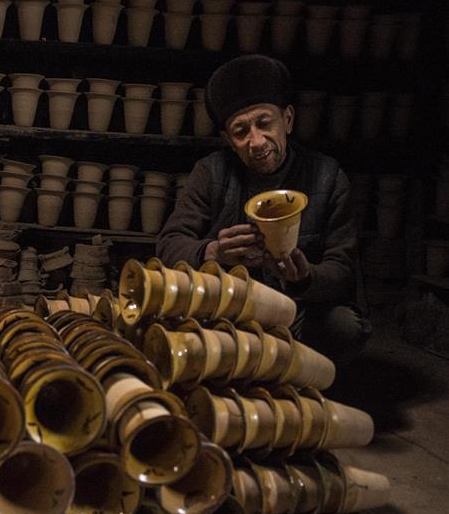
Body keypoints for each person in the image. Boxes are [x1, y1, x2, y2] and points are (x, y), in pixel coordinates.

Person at [157, 54, 371, 365]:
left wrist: (305, 277)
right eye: (241, 131)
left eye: (264, 123)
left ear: (288, 119)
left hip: (297, 310)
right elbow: (168, 243)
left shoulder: (328, 176)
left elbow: (343, 268)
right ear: (228, 140)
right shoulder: (210, 172)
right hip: (229, 309)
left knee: (345, 327)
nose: (256, 141)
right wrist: (213, 252)